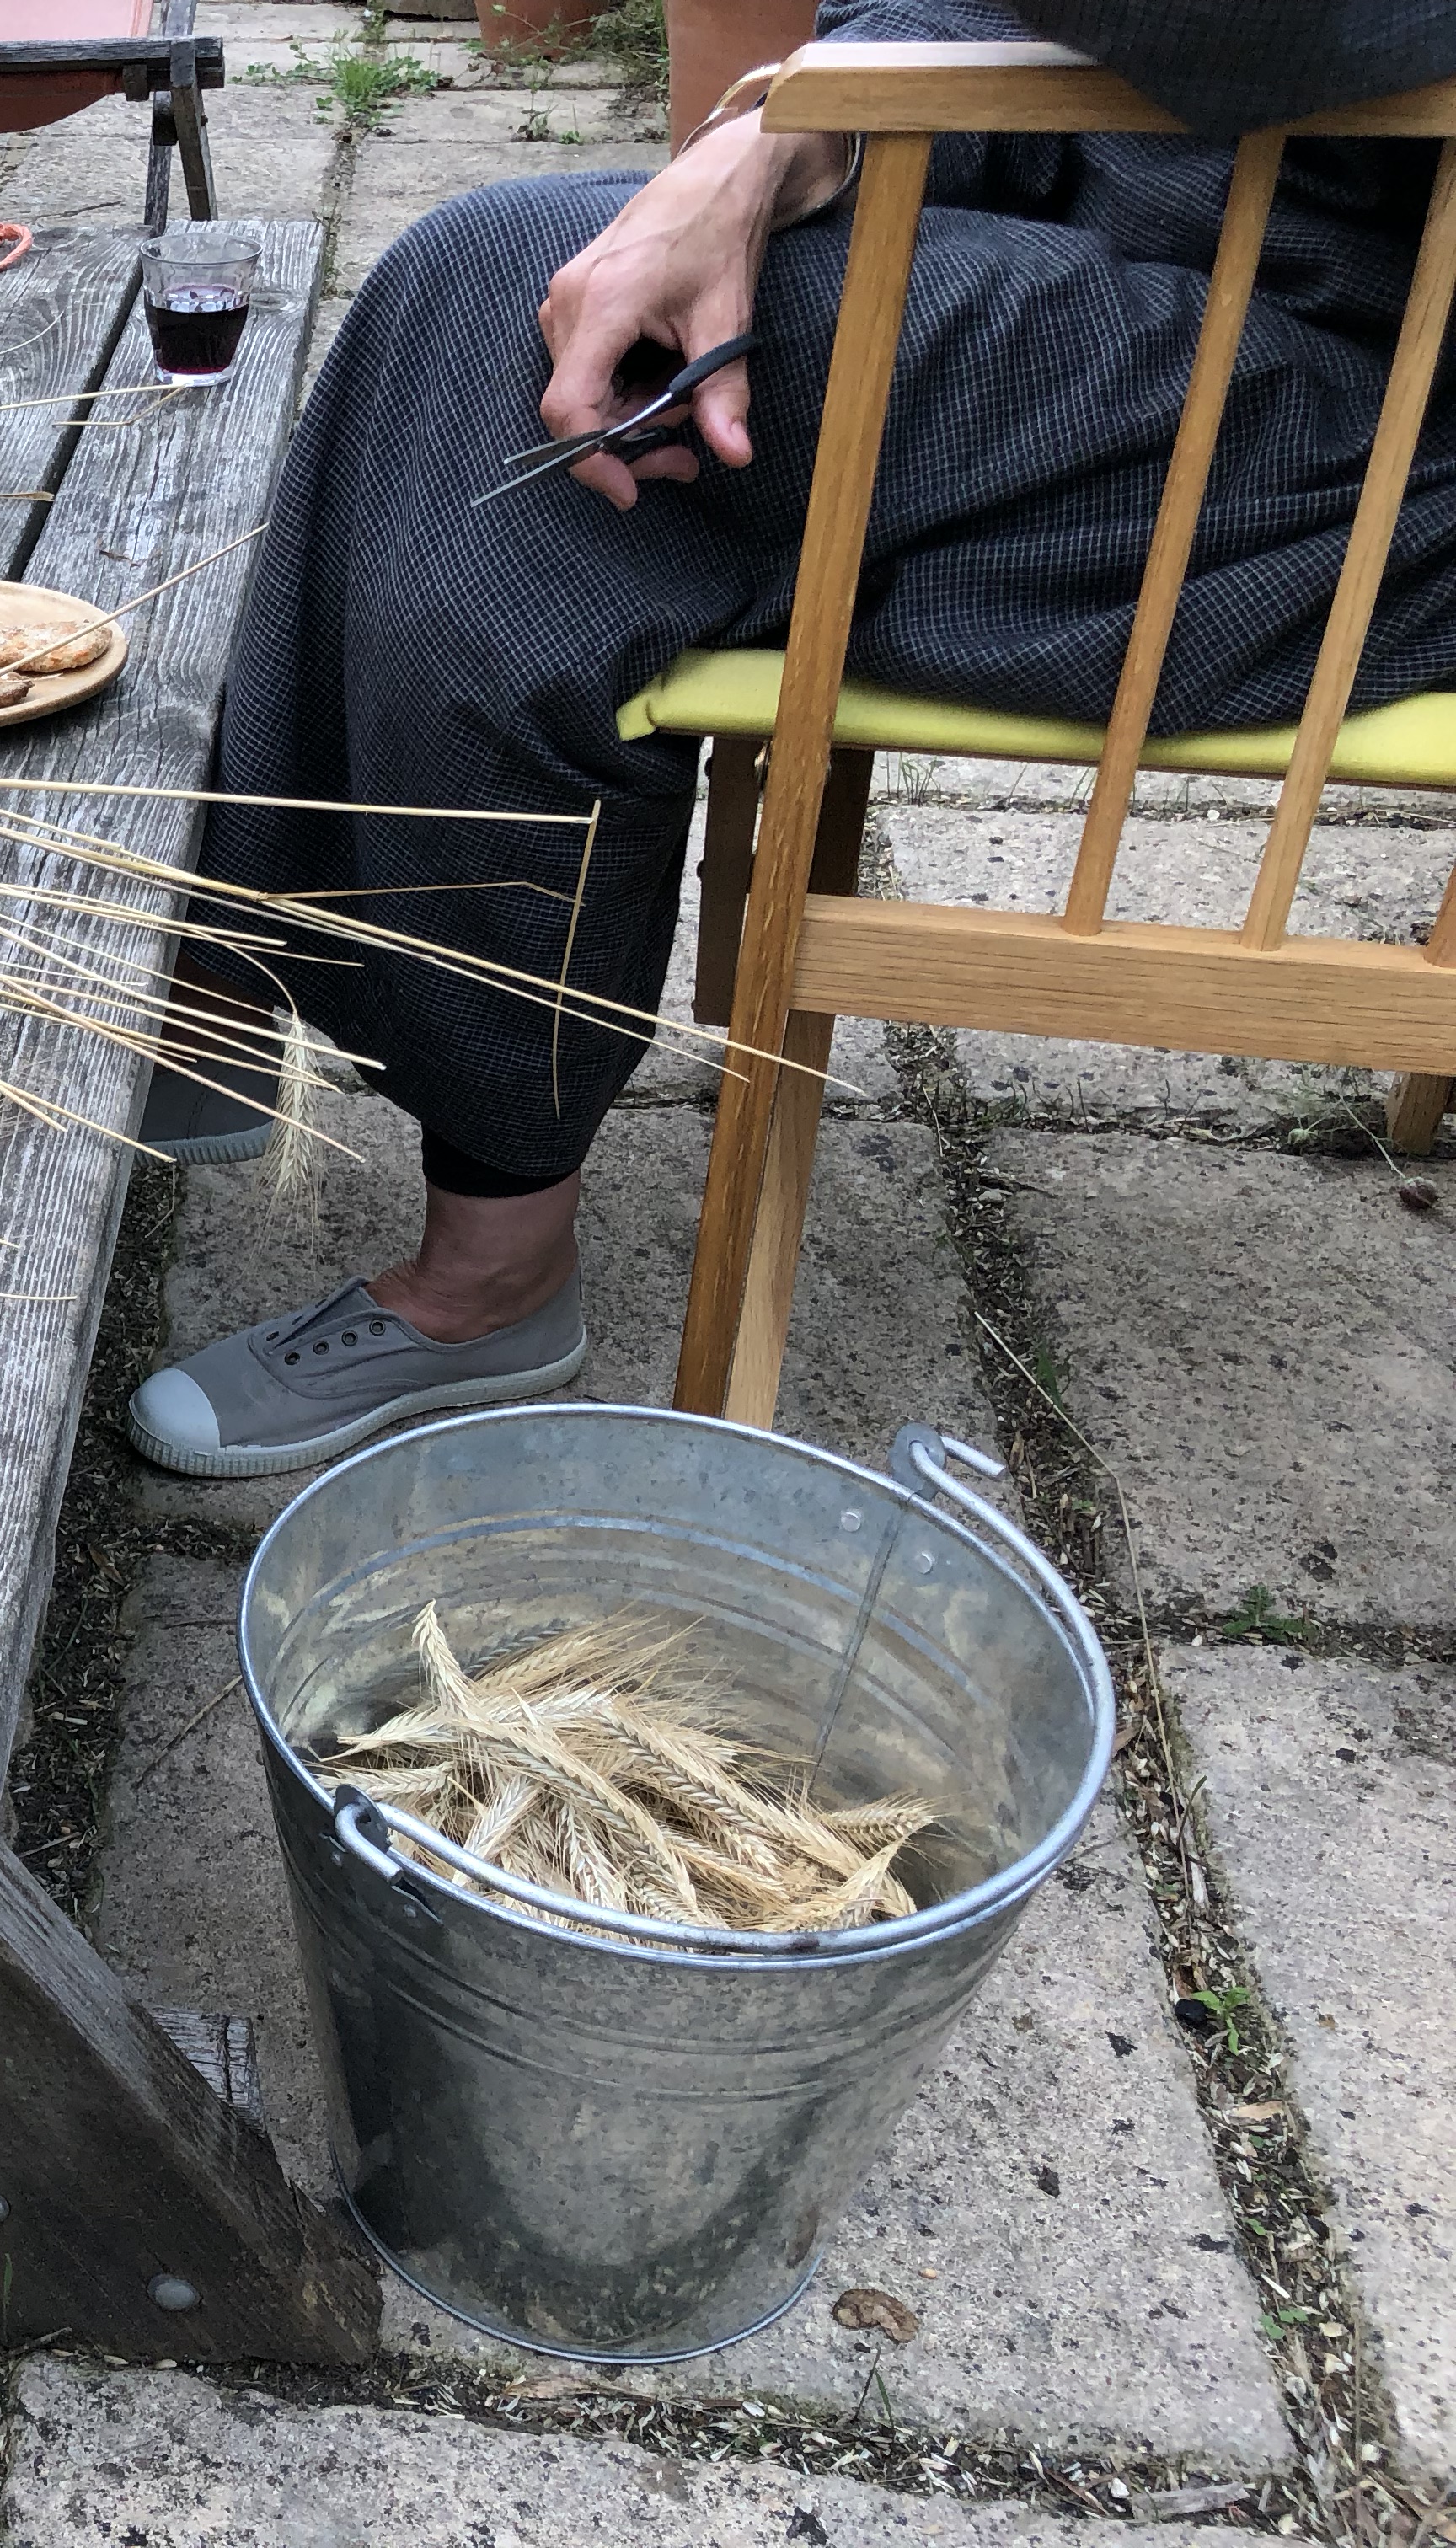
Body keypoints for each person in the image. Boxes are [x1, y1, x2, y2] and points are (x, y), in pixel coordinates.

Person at [125, 0, 1456, 1480]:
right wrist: (773, 134)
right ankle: (234, 984)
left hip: (1352, 400)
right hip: (1101, 221)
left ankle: (486, 1273)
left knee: (528, 432)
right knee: (494, 268)